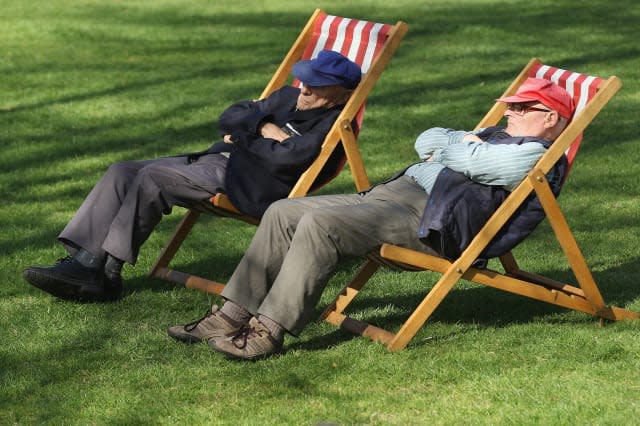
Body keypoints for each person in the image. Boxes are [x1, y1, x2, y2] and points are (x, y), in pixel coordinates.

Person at [168, 77, 576, 360]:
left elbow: (454, 152)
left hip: (428, 220)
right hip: (392, 197)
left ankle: (268, 330)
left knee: (321, 226)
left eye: (524, 108)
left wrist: (460, 146)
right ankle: (231, 314)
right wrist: (462, 146)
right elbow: (427, 139)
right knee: (283, 211)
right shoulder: (495, 137)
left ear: (551, 118)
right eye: (512, 106)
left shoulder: (534, 154)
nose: (511, 113)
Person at [23, 50, 362, 303]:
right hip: (218, 159)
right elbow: (231, 114)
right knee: (122, 170)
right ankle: (84, 259)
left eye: (317, 86)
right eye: (305, 79)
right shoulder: (287, 96)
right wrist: (262, 128)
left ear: (344, 95)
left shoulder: (330, 126)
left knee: (155, 176)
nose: (304, 89)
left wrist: (244, 137)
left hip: (247, 182)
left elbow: (287, 160)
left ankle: (104, 273)